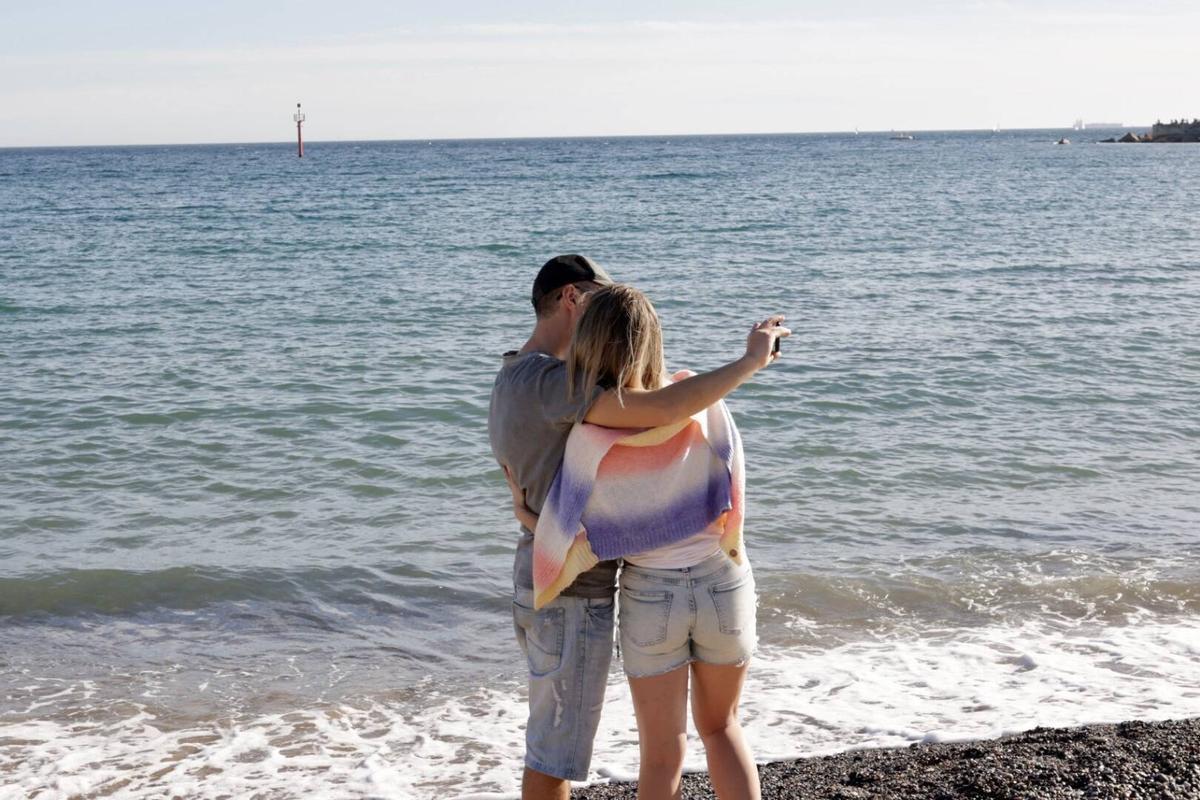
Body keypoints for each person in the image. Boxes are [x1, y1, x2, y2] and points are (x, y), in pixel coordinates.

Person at [489, 261, 786, 799]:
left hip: (587, 580)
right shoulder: (692, 405)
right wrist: (749, 361)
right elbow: (729, 492)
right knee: (716, 728)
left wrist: (528, 516)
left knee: (634, 750)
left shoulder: (542, 394)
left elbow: (591, 524)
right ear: (572, 299)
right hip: (691, 585)